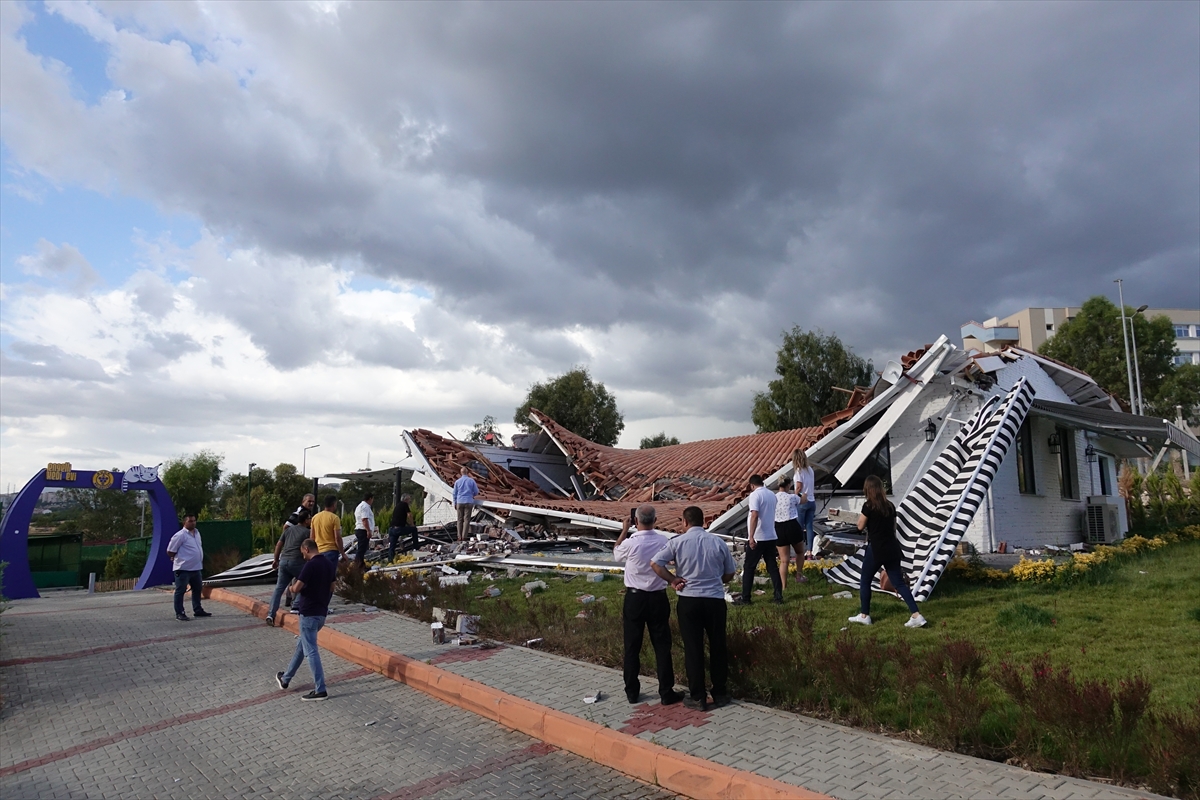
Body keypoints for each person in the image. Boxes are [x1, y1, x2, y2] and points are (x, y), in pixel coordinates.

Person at [651, 506, 736, 712]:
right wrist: (716, 580)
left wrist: (673, 579)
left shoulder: (677, 542)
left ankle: (697, 695)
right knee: (717, 645)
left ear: (684, 522)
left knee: (693, 647)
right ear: (704, 521)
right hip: (714, 599)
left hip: (689, 600)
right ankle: (720, 692)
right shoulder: (717, 542)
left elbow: (655, 563)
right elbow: (730, 573)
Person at [613, 504, 683, 706]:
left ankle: (632, 691)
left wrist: (624, 530)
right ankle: (666, 691)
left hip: (635, 598)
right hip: (657, 596)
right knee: (662, 645)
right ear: (655, 520)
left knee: (632, 645)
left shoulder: (630, 542)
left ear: (636, 521)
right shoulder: (663, 541)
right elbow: (672, 561)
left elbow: (616, 554)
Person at [848, 475, 927, 629]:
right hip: (892, 547)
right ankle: (916, 615)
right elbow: (893, 527)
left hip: (876, 548)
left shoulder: (868, 506)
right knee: (899, 582)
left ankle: (864, 615)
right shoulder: (890, 505)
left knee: (865, 580)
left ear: (868, 489)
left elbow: (859, 526)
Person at [275, 539, 336, 700]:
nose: (303, 555)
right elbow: (332, 587)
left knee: (311, 651)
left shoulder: (310, 565)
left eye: (303, 552)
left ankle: (320, 689)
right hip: (321, 613)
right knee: (302, 646)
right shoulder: (329, 564)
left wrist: (290, 588)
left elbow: (298, 587)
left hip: (308, 612)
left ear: (306, 549)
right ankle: (286, 678)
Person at [740, 475, 783, 605]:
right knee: (772, 567)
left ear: (752, 485)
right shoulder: (772, 495)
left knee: (749, 567)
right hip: (771, 535)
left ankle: (746, 598)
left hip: (758, 536)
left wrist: (751, 536)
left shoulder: (754, 495)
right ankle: (778, 596)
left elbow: (754, 515)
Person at [267, 509, 311, 625]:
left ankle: (271, 614)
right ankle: (296, 605)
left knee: (279, 588)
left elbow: (279, 545)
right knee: (306, 582)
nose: (310, 520)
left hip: (284, 561)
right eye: (309, 518)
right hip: (297, 562)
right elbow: (308, 548)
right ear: (306, 520)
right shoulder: (307, 532)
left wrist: (276, 559)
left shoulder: (288, 530)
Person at [167, 513, 211, 621]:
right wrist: (175, 558)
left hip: (196, 568)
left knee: (197, 589)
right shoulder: (180, 535)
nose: (193, 523)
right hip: (183, 568)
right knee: (180, 590)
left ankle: (198, 609)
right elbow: (170, 550)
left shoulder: (197, 533)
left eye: (194, 520)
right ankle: (180, 612)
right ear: (184, 522)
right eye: (190, 521)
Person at [281, 493, 317, 608]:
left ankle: (290, 598)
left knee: (294, 577)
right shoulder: (299, 512)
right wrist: (295, 536)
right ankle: (295, 602)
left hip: (299, 550)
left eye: (313, 501)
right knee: (299, 576)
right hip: (297, 551)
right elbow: (286, 527)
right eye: (309, 501)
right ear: (303, 501)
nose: (311, 503)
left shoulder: (307, 512)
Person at [773, 477, 804, 591]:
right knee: (799, 552)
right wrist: (799, 492)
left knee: (784, 560)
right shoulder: (792, 497)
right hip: (792, 524)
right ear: (788, 485)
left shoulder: (774, 498)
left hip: (778, 527)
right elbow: (803, 500)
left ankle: (783, 585)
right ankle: (799, 575)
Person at [793, 449, 817, 559]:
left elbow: (798, 487)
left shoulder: (799, 471)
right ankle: (809, 551)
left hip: (802, 501)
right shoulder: (810, 470)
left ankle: (799, 551)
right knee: (809, 527)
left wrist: (794, 496)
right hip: (812, 500)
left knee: (798, 528)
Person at [310, 495, 345, 569]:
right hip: (331, 551)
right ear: (334, 504)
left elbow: (312, 537)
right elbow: (337, 538)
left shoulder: (315, 517)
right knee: (330, 576)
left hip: (318, 551)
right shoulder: (334, 518)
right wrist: (343, 553)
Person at [387, 493, 419, 561]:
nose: (410, 501)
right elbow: (409, 515)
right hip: (398, 529)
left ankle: (390, 560)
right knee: (414, 529)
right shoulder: (405, 504)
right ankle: (416, 548)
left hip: (392, 529)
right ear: (406, 499)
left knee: (392, 546)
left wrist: (408, 524)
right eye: (409, 499)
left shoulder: (398, 505)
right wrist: (412, 524)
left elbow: (399, 518)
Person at [452, 467, 480, 542]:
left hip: (460, 501)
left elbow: (454, 493)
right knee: (467, 520)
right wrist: (471, 495)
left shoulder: (457, 482)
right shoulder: (471, 481)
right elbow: (476, 491)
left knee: (459, 520)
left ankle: (459, 536)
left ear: (461, 473)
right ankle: (464, 536)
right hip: (469, 501)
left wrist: (454, 502)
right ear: (467, 472)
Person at [352, 493, 375, 569]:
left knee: (363, 548)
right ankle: (357, 565)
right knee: (361, 549)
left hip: (360, 529)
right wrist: (368, 530)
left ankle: (361, 565)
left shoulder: (360, 506)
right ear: (370, 498)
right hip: (363, 530)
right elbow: (364, 519)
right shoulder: (365, 507)